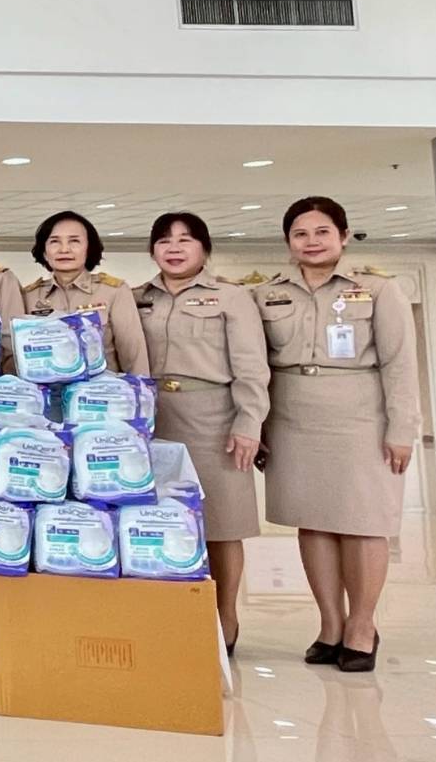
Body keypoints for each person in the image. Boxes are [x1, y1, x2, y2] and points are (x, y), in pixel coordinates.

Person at [254, 197, 417, 673]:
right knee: (313, 521)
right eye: (300, 234)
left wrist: (402, 428)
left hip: (360, 418)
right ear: (288, 242)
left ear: (343, 236)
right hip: (292, 416)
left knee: (364, 521)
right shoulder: (265, 293)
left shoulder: (378, 289)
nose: (312, 242)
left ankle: (362, 626)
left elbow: (399, 364)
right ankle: (330, 624)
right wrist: (255, 424)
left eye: (322, 232)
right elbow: (255, 365)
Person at [134, 211, 267, 656]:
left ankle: (225, 617)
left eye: (185, 240)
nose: (174, 248)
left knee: (222, 523)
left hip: (214, 416)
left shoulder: (231, 297)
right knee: (160, 520)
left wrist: (249, 422)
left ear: (205, 249)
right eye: (164, 240)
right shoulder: (136, 298)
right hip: (154, 416)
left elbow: (252, 367)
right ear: (152, 250)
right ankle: (178, 616)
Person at [22, 211, 150, 375]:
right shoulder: (29, 296)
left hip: (102, 389)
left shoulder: (113, 292)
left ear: (89, 248)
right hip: (46, 390)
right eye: (54, 241)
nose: (64, 249)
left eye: (74, 241)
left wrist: (140, 387)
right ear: (45, 252)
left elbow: (133, 354)